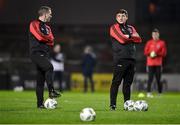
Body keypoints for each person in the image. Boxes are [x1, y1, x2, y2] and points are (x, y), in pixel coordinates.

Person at [109, 9, 142, 110]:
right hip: (120, 59)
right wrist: (131, 37)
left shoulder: (131, 28)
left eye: (123, 16)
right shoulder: (114, 27)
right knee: (116, 82)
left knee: (127, 84)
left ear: (126, 17)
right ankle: (113, 105)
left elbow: (139, 39)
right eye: (119, 16)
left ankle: (127, 105)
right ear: (116, 18)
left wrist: (129, 36)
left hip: (131, 59)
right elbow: (122, 39)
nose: (121, 17)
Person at [29, 6, 60, 108]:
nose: (51, 15)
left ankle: (40, 105)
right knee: (49, 67)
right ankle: (51, 91)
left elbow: (52, 41)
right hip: (36, 53)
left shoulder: (47, 27)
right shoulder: (33, 24)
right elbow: (39, 37)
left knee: (40, 80)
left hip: (45, 54)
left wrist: (45, 38)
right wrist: (46, 38)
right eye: (50, 13)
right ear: (45, 14)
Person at [144, 28, 167, 98]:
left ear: (158, 35)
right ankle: (148, 93)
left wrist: (156, 54)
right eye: (153, 34)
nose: (155, 36)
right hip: (150, 64)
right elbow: (145, 52)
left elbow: (164, 53)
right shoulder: (149, 42)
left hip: (158, 64)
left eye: (156, 34)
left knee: (158, 79)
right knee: (150, 78)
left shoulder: (162, 43)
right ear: (152, 35)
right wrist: (150, 54)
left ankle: (159, 93)